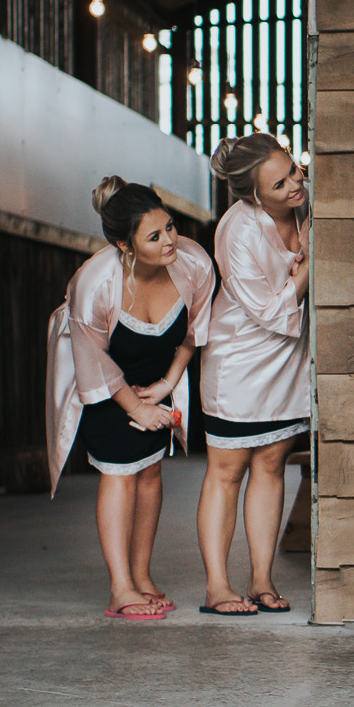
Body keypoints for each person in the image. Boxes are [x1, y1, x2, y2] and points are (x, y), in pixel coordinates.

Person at [46, 178, 217, 620]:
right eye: (155, 236)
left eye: (171, 228)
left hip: (153, 376)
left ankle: (142, 575)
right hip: (103, 385)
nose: (170, 241)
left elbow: (193, 333)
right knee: (120, 473)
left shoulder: (193, 263)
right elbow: (94, 362)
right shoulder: (95, 284)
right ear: (125, 244)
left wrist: (165, 385)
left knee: (150, 472)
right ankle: (120, 588)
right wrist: (136, 406)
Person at [197, 135, 312, 617]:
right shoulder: (237, 231)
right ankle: (217, 586)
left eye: (293, 171)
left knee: (270, 463)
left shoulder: (308, 209)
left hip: (287, 361)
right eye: (279, 183)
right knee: (227, 472)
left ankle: (262, 578)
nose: (294, 185)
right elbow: (269, 311)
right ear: (252, 195)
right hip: (241, 360)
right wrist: (311, 267)